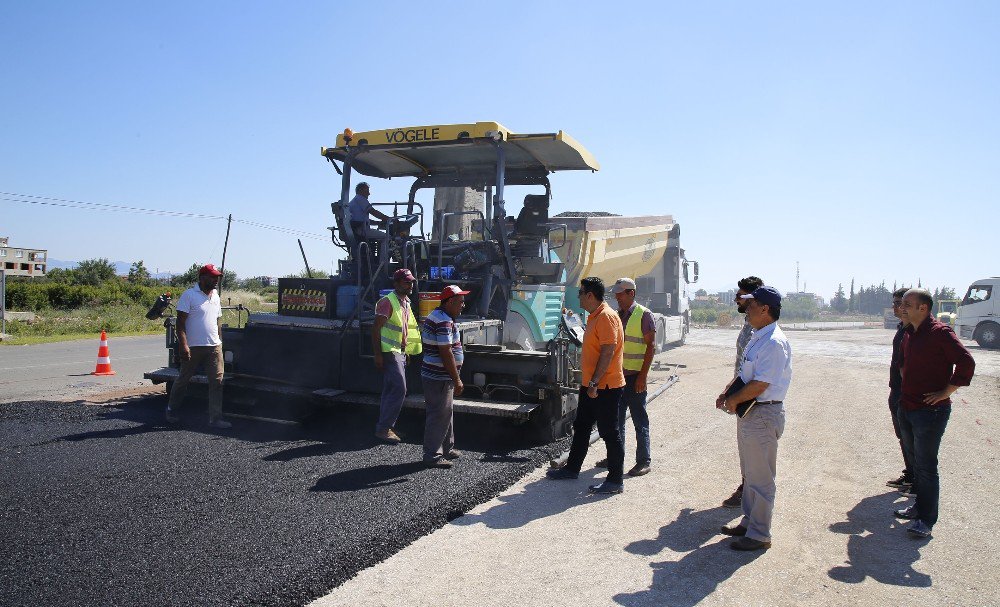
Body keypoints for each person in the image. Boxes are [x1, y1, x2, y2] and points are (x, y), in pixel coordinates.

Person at [893, 288, 975, 538]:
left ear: (923, 308)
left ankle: (927, 521)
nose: (902, 308)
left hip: (930, 412)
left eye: (908, 304)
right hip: (907, 406)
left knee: (927, 466)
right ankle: (919, 508)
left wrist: (945, 392)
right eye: (902, 303)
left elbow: (966, 363)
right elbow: (904, 364)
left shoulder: (940, 333)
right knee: (917, 464)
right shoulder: (909, 332)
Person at [717, 286, 791, 551]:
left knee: (760, 478)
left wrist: (734, 400)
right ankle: (749, 522)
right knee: (751, 474)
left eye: (751, 304)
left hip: (763, 412)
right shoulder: (759, 336)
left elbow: (761, 383)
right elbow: (745, 373)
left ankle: (760, 535)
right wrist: (728, 392)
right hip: (751, 412)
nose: (746, 308)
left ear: (765, 309)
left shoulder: (774, 342)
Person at [547, 277, 627, 494]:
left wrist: (594, 382)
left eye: (581, 292)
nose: (579, 296)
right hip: (591, 385)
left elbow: (608, 352)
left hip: (605, 386)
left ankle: (615, 480)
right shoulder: (594, 316)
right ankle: (572, 468)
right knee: (582, 427)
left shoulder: (606, 317)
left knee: (609, 431)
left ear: (590, 295)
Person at [601, 277, 655, 477]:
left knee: (639, 421)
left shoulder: (644, 315)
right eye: (615, 294)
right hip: (617, 378)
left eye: (620, 294)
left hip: (634, 379)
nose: (616, 297)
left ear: (631, 293)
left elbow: (651, 346)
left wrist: (643, 376)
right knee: (616, 422)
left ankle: (644, 461)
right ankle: (616, 457)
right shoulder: (617, 315)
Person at [165, 264, 230, 429]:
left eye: (217, 277)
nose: (215, 280)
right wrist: (183, 345)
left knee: (217, 381)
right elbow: (180, 324)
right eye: (212, 277)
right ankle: (171, 409)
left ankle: (215, 418)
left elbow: (217, 321)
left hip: (214, 347)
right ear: (202, 277)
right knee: (183, 379)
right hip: (193, 347)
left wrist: (220, 342)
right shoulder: (189, 295)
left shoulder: (215, 295)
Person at [723, 275, 764, 508]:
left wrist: (739, 395)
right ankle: (747, 487)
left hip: (754, 401)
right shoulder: (750, 325)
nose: (736, 301)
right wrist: (730, 388)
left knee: (753, 451)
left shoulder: (761, 331)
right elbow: (742, 364)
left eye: (739, 297)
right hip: (743, 396)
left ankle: (750, 493)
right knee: (745, 448)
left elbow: (758, 374)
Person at [420, 285, 469, 469]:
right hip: (438, 376)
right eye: (460, 302)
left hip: (439, 375)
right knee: (438, 414)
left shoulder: (442, 316)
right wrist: (456, 379)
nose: (463, 305)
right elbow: (445, 351)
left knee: (445, 412)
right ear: (449, 302)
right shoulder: (443, 321)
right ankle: (432, 455)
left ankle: (447, 448)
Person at [372, 268, 422, 443]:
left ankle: (385, 427)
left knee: (390, 390)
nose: (411, 285)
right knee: (400, 389)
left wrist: (406, 351)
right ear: (396, 284)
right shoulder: (387, 302)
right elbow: (376, 329)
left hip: (399, 351)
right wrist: (378, 355)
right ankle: (384, 428)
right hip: (389, 351)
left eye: (412, 282)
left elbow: (404, 329)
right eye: (407, 282)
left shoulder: (406, 302)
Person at [885, 287, 915, 494]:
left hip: (907, 394)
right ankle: (911, 475)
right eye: (896, 303)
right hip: (897, 390)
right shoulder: (902, 328)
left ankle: (917, 480)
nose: (897, 307)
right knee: (903, 436)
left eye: (901, 303)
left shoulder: (915, 330)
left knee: (911, 438)